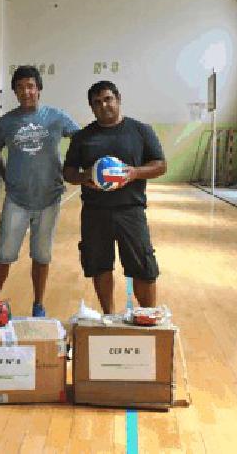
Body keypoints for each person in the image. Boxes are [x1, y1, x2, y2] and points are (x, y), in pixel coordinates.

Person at [62, 81, 167, 314]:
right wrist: (84, 177)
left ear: (118, 99)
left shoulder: (141, 131)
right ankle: (109, 316)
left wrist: (134, 173)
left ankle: (148, 317)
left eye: (108, 99)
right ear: (91, 107)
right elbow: (68, 171)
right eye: (97, 102)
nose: (104, 105)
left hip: (130, 210)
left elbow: (160, 165)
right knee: (99, 266)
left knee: (143, 266)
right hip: (95, 211)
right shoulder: (82, 137)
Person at [0, 66, 80, 317]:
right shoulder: (6, 122)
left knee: (41, 255)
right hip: (16, 199)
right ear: (15, 91)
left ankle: (38, 304)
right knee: (4, 254)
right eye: (20, 87)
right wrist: (7, 176)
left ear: (39, 88)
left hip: (49, 198)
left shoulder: (56, 117)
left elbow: (80, 139)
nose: (26, 91)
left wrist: (71, 168)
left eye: (30, 86)